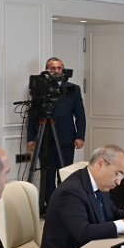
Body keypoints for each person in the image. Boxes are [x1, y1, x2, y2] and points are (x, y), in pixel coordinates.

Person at [40, 145, 124, 248]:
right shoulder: (71, 191)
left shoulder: (100, 183)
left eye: (122, 177)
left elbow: (112, 211)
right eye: (117, 174)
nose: (118, 182)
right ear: (101, 164)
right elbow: (83, 233)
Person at [26, 57, 86, 206]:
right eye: (53, 68)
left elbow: (80, 115)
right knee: (47, 175)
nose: (57, 71)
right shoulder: (39, 89)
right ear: (47, 70)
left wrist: (80, 136)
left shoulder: (73, 89)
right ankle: (50, 205)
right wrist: (31, 138)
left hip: (66, 138)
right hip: (44, 138)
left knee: (64, 173)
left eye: (59, 68)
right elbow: (32, 116)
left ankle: (65, 204)